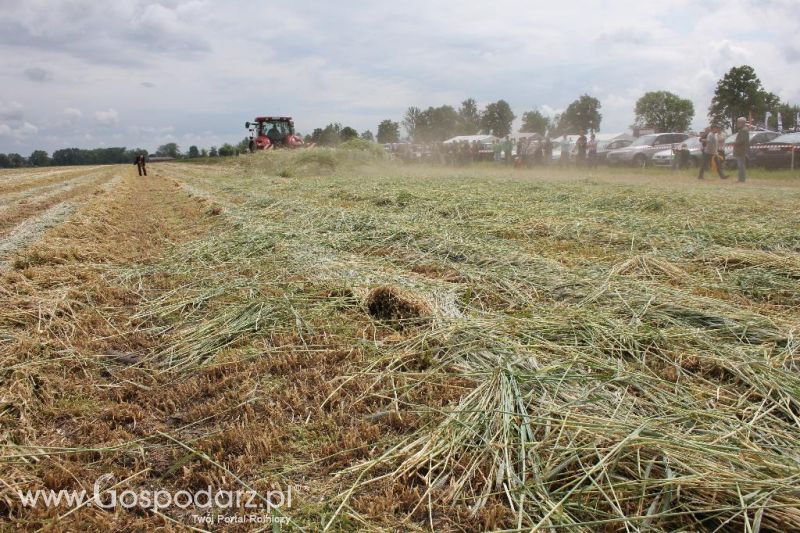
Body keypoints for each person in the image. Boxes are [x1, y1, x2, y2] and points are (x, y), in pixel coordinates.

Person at [733, 116, 750, 182]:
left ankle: (742, 179)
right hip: (741, 150)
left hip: (741, 150)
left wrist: (735, 143)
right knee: (740, 165)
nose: (737, 123)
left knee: (741, 165)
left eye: (738, 122)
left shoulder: (744, 130)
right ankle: (741, 178)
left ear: (742, 123)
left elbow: (742, 140)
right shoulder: (743, 130)